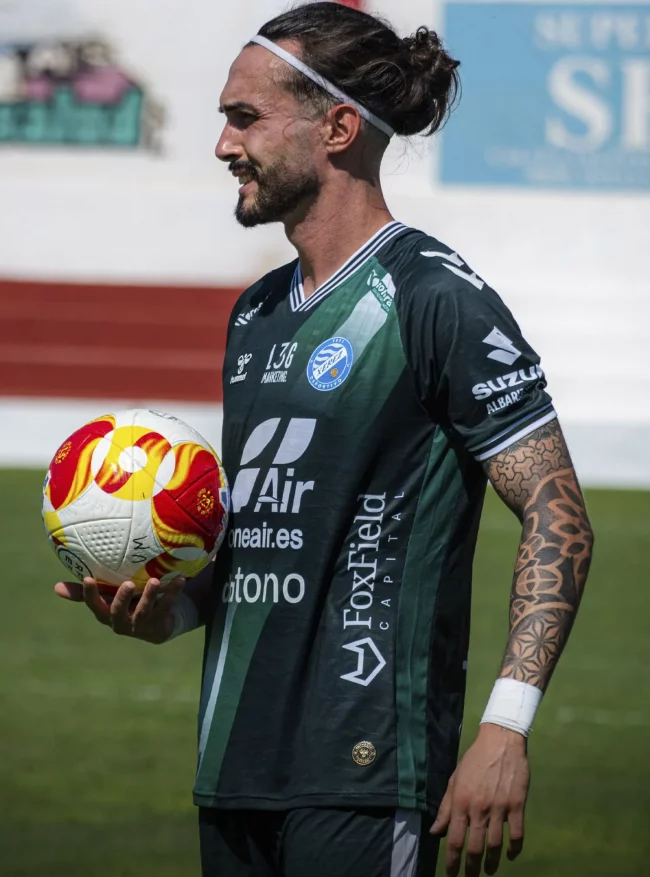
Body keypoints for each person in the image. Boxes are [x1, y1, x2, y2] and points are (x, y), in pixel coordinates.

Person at [55, 4, 594, 876]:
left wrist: (506, 724)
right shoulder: (255, 313)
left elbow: (557, 511)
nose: (224, 145)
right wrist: (170, 610)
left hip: (367, 770)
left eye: (245, 117)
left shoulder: (435, 298)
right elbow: (266, 540)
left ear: (338, 128)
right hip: (233, 766)